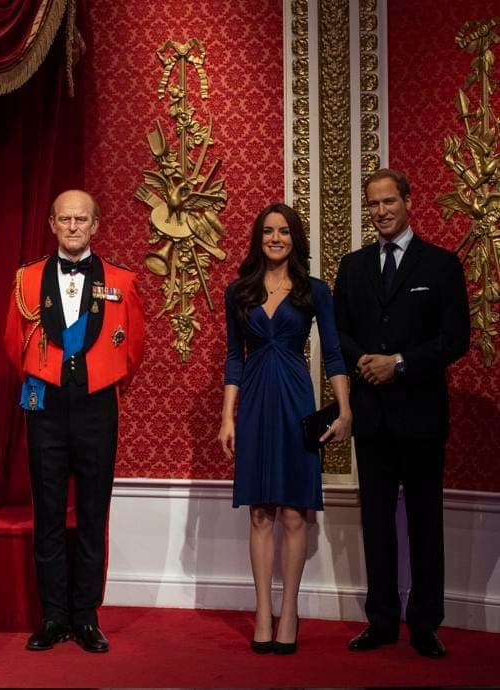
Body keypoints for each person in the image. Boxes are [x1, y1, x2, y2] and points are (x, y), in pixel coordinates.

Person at [334, 169, 469, 659]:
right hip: (371, 418)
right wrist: (365, 361)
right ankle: (382, 621)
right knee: (376, 524)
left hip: (421, 417)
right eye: (373, 204)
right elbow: (339, 333)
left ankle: (425, 624)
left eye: (389, 201)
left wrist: (401, 364)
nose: (382, 211)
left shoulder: (441, 266)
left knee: (425, 524)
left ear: (408, 202)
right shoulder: (352, 267)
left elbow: (456, 340)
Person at [4, 189, 145, 653]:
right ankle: (53, 616)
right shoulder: (27, 279)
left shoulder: (121, 280)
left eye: (80, 219)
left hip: (96, 406)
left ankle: (85, 616)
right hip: (44, 406)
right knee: (46, 513)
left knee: (90, 514)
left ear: (96, 225)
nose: (72, 227)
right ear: (51, 223)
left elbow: (136, 346)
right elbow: (11, 342)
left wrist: (101, 379)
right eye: (64, 219)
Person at [218, 203, 352, 655]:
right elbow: (234, 358)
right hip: (254, 401)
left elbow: (333, 353)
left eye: (284, 232)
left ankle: (289, 610)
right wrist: (226, 417)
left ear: (295, 238)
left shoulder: (315, 291)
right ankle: (261, 610)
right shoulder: (238, 290)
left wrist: (345, 410)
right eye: (268, 231)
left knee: (295, 512)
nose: (275, 238)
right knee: (260, 512)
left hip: (296, 399)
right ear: (258, 238)